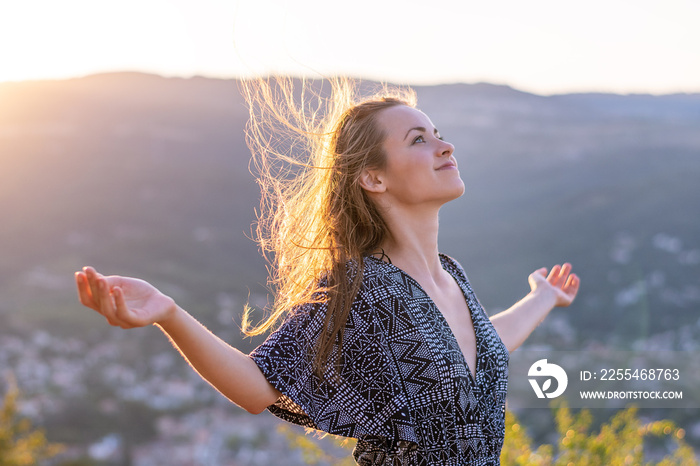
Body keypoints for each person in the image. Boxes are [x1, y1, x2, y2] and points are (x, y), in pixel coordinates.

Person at [75, 78, 579, 465]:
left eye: (439, 135)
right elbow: (258, 385)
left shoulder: (452, 277)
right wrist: (169, 313)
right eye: (419, 140)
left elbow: (483, 343)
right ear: (373, 177)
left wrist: (541, 297)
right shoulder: (361, 287)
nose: (445, 147)